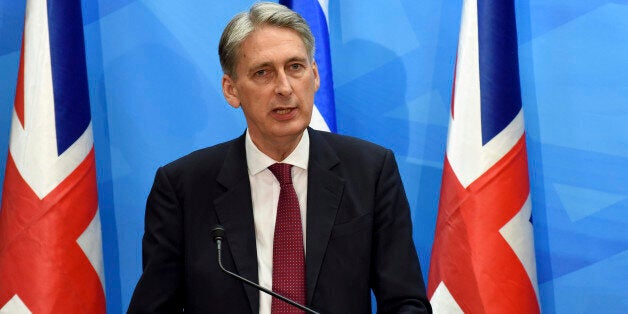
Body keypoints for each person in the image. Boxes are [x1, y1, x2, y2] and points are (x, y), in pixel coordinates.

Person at [128, 2, 431, 313]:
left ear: (314, 76)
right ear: (231, 90)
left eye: (295, 67)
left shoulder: (370, 171)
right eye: (263, 72)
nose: (285, 88)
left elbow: (405, 302)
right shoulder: (183, 187)